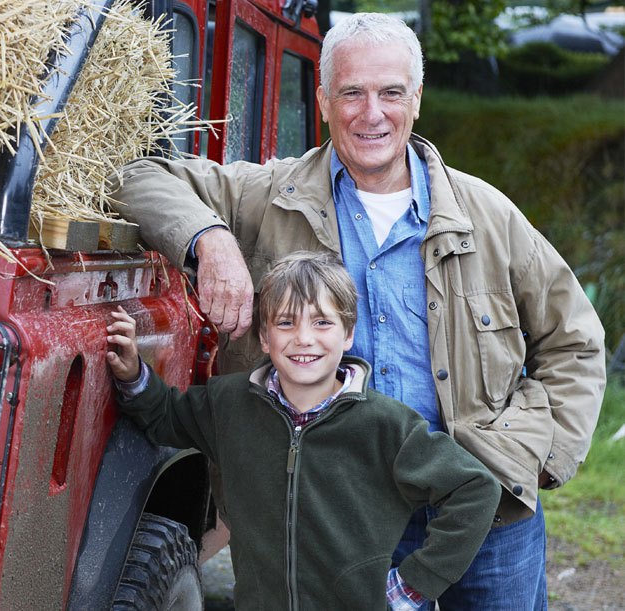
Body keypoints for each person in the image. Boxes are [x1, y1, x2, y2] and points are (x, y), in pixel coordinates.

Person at [108, 11, 606, 609]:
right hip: (337, 517)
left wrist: (534, 461)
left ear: (415, 100)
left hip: (484, 511)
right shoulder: (270, 196)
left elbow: (574, 341)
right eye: (353, 93)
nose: (373, 114)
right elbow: (136, 176)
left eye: (391, 92)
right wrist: (209, 240)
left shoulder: (487, 215)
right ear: (322, 100)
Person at [106, 251, 500, 609]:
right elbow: (165, 415)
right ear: (264, 337)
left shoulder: (387, 426)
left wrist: (412, 585)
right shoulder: (227, 403)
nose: (304, 338)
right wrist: (134, 373)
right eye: (286, 322)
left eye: (322, 322)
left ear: (347, 335)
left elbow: (476, 490)